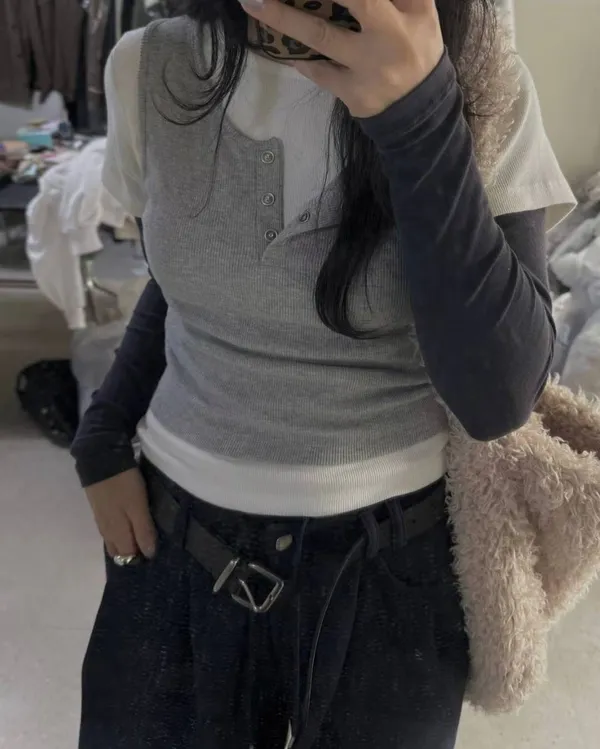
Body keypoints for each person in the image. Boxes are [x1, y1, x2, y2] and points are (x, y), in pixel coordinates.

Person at [71, 1, 576, 747]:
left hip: (388, 566)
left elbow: (499, 396)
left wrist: (423, 117)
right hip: (173, 540)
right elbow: (184, 283)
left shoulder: (483, 79)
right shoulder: (151, 65)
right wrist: (104, 429)